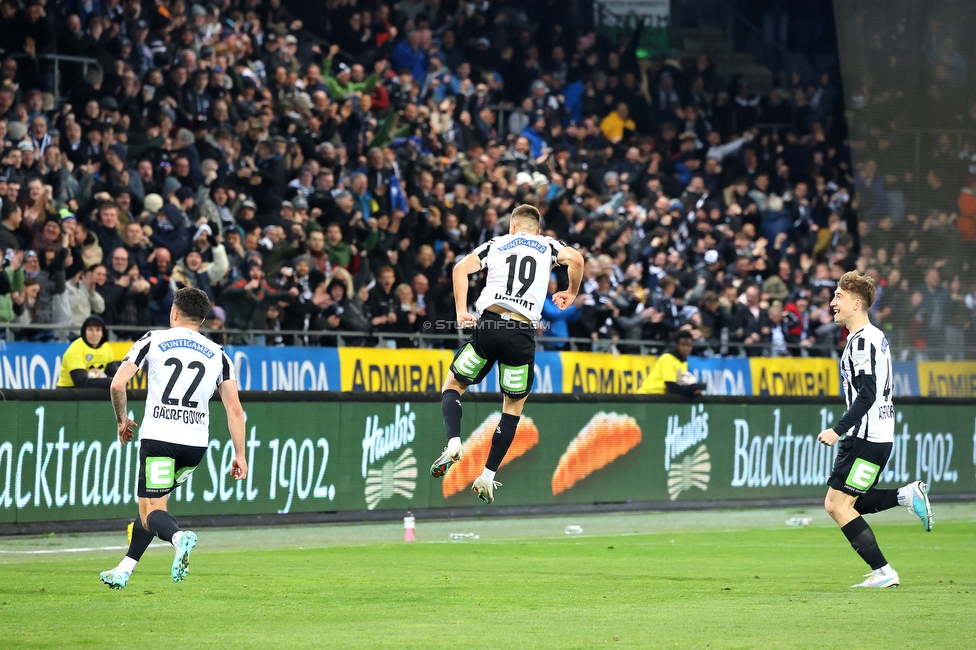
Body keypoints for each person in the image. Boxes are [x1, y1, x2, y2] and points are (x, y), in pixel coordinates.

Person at [429, 204, 583, 503]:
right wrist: (571, 291)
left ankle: (453, 441)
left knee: (453, 385)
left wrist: (461, 311)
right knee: (512, 407)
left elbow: (460, 268)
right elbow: (575, 258)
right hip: (522, 334)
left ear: (512, 227)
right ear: (538, 230)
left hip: (488, 326)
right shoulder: (549, 245)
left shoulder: (496, 243)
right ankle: (487, 475)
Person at [99, 287, 247, 590]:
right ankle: (124, 569)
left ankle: (180, 538)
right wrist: (240, 454)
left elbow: (117, 385)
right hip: (194, 446)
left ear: (174, 312)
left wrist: (121, 420)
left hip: (160, 439)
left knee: (150, 510)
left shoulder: (153, 339)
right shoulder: (219, 354)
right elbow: (234, 409)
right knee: (152, 506)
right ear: (204, 319)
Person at [816, 271, 934, 589]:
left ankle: (884, 571)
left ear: (857, 303)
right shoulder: (874, 336)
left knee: (837, 505)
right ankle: (906, 495)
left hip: (864, 437)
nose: (832, 302)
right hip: (879, 437)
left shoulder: (861, 343)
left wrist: (838, 430)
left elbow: (867, 394)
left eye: (839, 297)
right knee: (848, 501)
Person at [636, 330, 705, 396]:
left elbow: (679, 385)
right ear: (676, 345)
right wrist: (693, 388)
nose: (686, 348)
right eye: (683, 345)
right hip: (649, 396)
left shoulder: (683, 362)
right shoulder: (667, 358)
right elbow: (672, 388)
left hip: (661, 398)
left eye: (689, 345)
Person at [56, 315, 117, 388]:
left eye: (98, 330)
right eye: (90, 330)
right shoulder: (75, 349)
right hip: (69, 392)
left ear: (103, 333)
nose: (94, 334)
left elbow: (115, 376)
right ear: (84, 332)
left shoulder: (107, 348)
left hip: (94, 393)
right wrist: (109, 381)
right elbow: (81, 383)